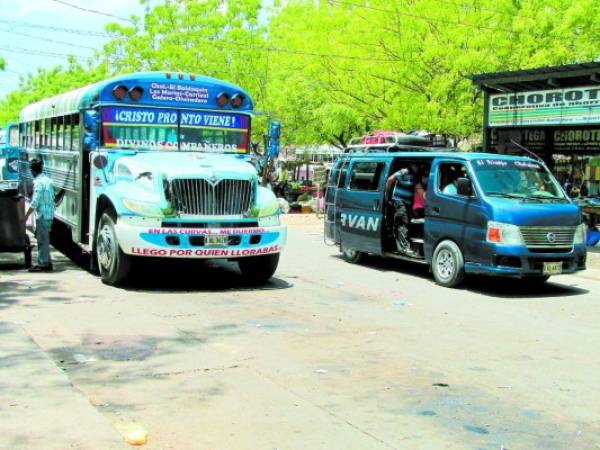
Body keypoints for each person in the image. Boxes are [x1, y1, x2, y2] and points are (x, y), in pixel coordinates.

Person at [23, 158, 55, 272]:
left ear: (32, 170)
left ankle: (43, 264)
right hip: (49, 214)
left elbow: (35, 202)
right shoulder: (48, 180)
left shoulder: (38, 183)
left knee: (42, 240)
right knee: (44, 238)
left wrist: (26, 215)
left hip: (42, 214)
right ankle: (47, 261)